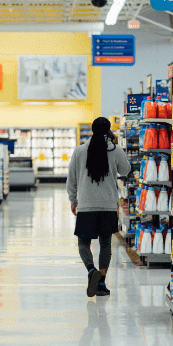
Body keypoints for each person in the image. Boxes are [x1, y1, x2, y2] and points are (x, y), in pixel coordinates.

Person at [67, 117, 131, 297]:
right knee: (105, 244)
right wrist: (116, 146)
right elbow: (126, 171)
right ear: (108, 130)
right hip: (108, 205)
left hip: (86, 205)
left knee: (83, 243)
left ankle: (90, 270)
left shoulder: (79, 151)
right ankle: (101, 283)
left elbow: (71, 179)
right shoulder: (115, 149)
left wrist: (73, 200)